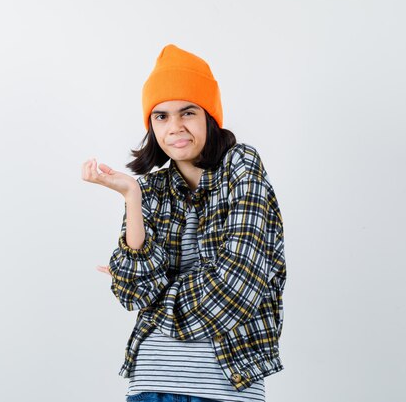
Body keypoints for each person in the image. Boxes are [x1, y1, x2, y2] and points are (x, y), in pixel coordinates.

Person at [81, 44, 286, 402]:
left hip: (225, 386)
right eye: (160, 116)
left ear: (209, 115)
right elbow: (133, 293)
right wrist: (131, 196)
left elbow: (235, 289)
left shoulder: (243, 168)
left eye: (187, 112)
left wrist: (159, 293)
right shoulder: (150, 190)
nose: (174, 127)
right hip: (150, 382)